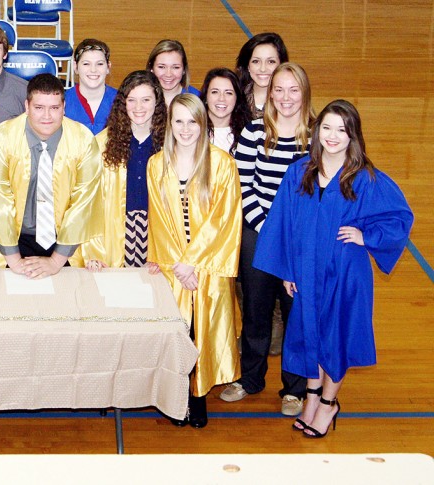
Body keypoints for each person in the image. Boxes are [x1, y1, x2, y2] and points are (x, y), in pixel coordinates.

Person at [254, 100, 413, 438]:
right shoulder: (300, 172)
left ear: (353, 134)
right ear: (316, 131)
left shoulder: (365, 178)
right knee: (308, 333)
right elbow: (282, 224)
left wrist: (366, 235)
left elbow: (400, 218)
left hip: (345, 275)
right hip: (306, 273)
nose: (333, 136)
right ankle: (311, 396)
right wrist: (286, 270)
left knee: (336, 336)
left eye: (342, 129)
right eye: (326, 127)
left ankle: (329, 403)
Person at [221, 62, 314, 415]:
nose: (286, 97)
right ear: (270, 93)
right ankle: (251, 378)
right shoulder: (255, 132)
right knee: (256, 312)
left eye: (294, 89)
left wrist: (295, 235)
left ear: (304, 93)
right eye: (280, 89)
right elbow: (242, 184)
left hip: (301, 241)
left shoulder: (317, 135)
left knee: (295, 315)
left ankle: (294, 389)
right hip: (259, 234)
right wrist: (264, 227)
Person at [146, 94, 242, 428]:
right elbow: (158, 221)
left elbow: (224, 220)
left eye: (192, 121)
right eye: (179, 121)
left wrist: (193, 263)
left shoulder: (222, 164)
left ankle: (198, 395)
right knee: (178, 332)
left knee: (202, 332)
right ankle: (177, 396)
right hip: (174, 267)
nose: (185, 129)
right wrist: (176, 265)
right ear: (169, 124)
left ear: (203, 124)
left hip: (206, 267)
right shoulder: (157, 164)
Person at [0, 74, 101, 276]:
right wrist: (14, 260)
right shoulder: (2, 138)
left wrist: (56, 261)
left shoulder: (83, 140)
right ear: (27, 106)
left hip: (66, 240)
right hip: (11, 238)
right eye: (39, 108)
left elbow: (83, 203)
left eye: (54, 108)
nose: (47, 116)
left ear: (64, 107)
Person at [82, 70, 166, 270]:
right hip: (116, 233)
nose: (139, 107)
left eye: (146, 100)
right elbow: (88, 203)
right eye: (132, 100)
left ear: (157, 102)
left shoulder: (170, 143)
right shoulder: (102, 144)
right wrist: (92, 250)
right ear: (123, 103)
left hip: (157, 235)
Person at [64, 38, 117, 136]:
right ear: (75, 67)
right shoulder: (62, 101)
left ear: (108, 67)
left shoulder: (121, 100)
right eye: (86, 64)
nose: (93, 70)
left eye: (100, 64)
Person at [235, 32, 289, 118]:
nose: (263, 69)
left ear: (281, 64)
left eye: (271, 61)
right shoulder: (234, 100)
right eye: (256, 61)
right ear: (248, 66)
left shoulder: (291, 101)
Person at [199, 67, 251, 155]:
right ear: (206, 97)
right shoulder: (192, 130)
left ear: (237, 99)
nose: (221, 98)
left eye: (228, 93)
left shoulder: (248, 134)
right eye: (215, 92)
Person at [146, 39, 200, 107]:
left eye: (176, 67)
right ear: (151, 68)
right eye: (161, 67)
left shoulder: (198, 99)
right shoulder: (139, 98)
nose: (168, 74)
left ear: (184, 70)